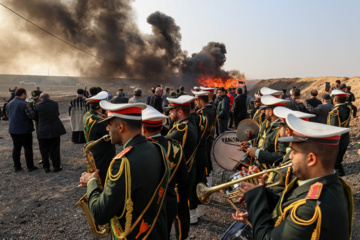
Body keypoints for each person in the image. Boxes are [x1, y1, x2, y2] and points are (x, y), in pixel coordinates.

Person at [233, 113, 353, 240]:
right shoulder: (324, 181)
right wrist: (261, 195)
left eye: (294, 152)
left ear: (311, 159)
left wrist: (255, 198)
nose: (290, 156)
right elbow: (286, 207)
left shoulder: (309, 207)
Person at [78, 101, 170, 239]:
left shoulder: (123, 163)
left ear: (120, 127)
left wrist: (91, 182)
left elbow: (100, 215)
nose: (108, 129)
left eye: (109, 125)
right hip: (157, 231)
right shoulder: (157, 148)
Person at [141, 105, 189, 239]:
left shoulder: (138, 150)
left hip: (146, 205)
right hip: (169, 201)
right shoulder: (176, 147)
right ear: (162, 127)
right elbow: (183, 178)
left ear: (143, 129)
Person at [166, 96, 198, 240]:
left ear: (179, 112)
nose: (170, 114)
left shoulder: (182, 128)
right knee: (183, 209)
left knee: (179, 212)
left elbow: (166, 143)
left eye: (172, 111)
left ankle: (182, 238)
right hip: (189, 171)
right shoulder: (189, 123)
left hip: (180, 177)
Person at [242, 95, 289, 169]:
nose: (264, 112)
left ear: (270, 112)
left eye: (266, 110)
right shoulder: (271, 125)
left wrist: (257, 153)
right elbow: (263, 142)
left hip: (268, 170)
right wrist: (251, 145)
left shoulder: (281, 130)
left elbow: (281, 157)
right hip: (261, 166)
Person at [83, 91, 116, 183]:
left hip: (93, 151)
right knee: (103, 179)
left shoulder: (88, 115)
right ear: (101, 106)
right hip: (102, 154)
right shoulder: (99, 122)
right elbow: (113, 134)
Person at [6, 88, 38, 172]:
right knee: (27, 148)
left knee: (16, 148)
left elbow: (8, 115)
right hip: (24, 130)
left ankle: (17, 167)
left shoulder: (9, 104)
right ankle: (30, 167)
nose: (26, 96)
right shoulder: (24, 104)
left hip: (13, 129)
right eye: (26, 94)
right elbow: (32, 116)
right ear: (23, 94)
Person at [35, 93, 66, 173]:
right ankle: (56, 167)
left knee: (44, 150)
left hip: (42, 129)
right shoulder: (55, 103)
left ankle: (46, 167)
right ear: (49, 97)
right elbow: (57, 113)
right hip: (54, 128)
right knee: (55, 149)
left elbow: (36, 116)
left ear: (40, 98)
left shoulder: (37, 105)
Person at [193, 90, 218, 187]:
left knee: (204, 164)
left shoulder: (201, 112)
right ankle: (209, 181)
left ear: (199, 100)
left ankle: (205, 184)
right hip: (209, 139)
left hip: (203, 142)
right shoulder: (213, 109)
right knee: (207, 161)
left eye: (196, 100)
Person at [327, 89, 351, 176]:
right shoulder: (347, 107)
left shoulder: (335, 112)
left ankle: (339, 184)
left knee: (334, 163)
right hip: (345, 138)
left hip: (337, 141)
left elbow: (332, 129)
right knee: (337, 162)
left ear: (334, 99)